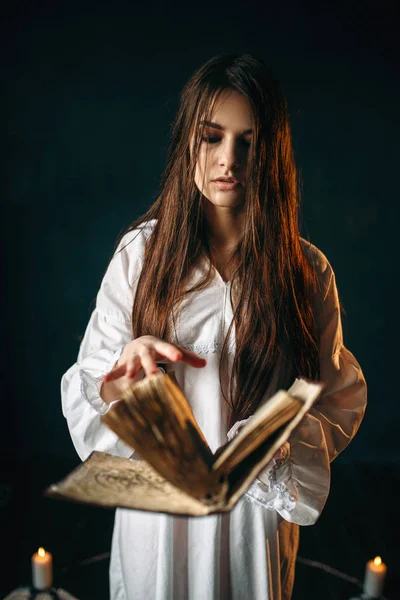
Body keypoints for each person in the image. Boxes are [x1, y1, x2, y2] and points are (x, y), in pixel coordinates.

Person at [61, 53, 367, 600]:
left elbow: (337, 400)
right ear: (188, 142)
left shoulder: (306, 270)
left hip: (253, 526)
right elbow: (90, 391)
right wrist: (122, 383)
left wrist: (272, 444)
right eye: (211, 137)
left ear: (272, 151)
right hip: (157, 522)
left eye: (248, 141)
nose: (229, 159)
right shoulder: (142, 256)